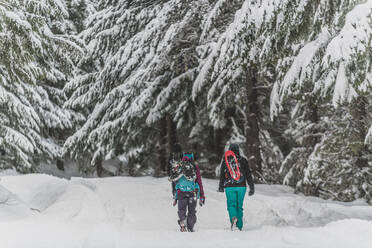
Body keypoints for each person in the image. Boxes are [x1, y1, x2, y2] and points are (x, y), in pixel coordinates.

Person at [218, 143, 254, 231]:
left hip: (229, 186)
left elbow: (222, 175)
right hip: (241, 186)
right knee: (239, 206)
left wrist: (221, 186)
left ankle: (233, 219)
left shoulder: (225, 161)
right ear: (238, 150)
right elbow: (248, 174)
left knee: (231, 205)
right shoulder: (243, 160)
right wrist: (251, 187)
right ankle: (239, 226)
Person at [172, 152, 205, 232]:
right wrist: (201, 195)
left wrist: (176, 196)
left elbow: (175, 181)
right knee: (192, 210)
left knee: (182, 209)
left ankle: (182, 221)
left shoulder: (180, 166)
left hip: (181, 192)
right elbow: (199, 181)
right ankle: (190, 226)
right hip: (192, 192)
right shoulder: (194, 166)